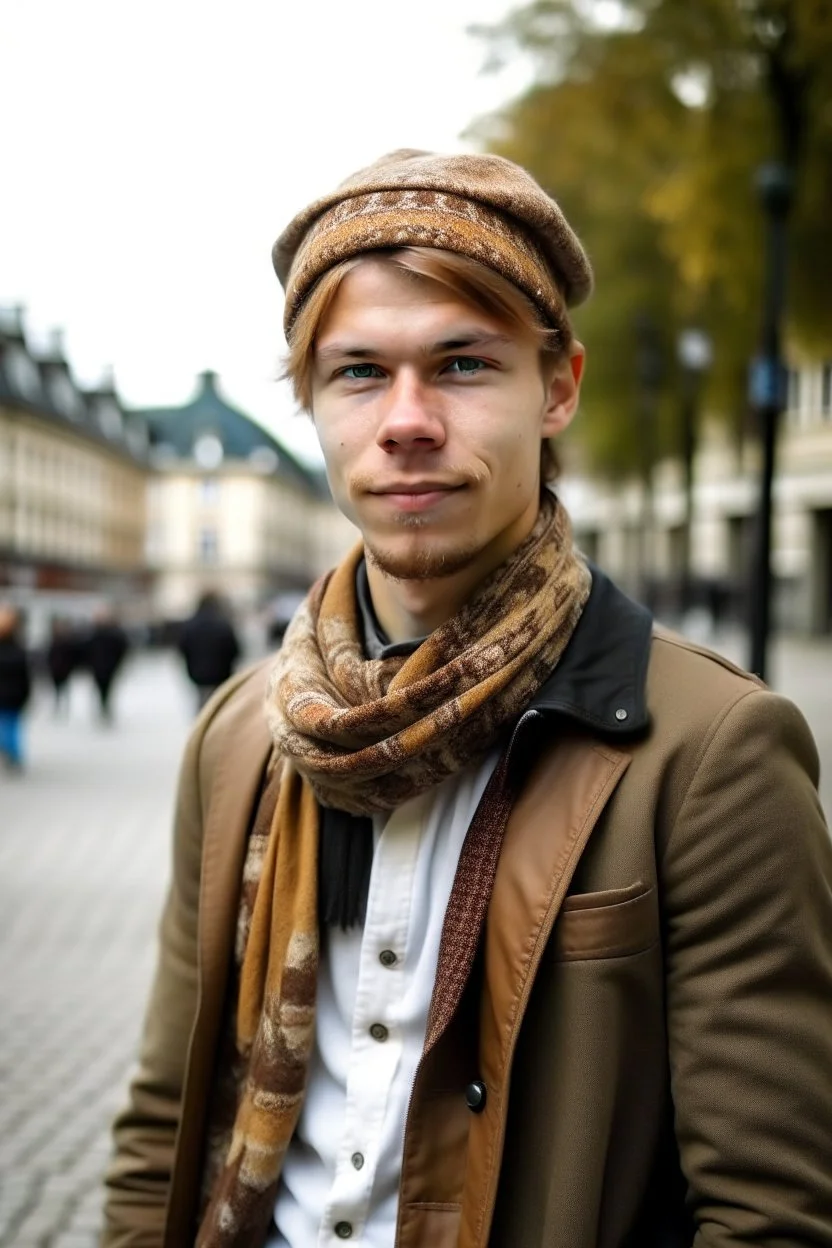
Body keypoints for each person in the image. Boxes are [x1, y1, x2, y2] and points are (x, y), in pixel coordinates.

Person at [102, 151, 832, 1248]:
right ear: (307, 402)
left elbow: (767, 1212)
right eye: (357, 372)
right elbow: (164, 1129)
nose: (405, 420)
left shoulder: (709, 750)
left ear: (559, 388)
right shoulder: (239, 737)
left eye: (461, 364)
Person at [177, 591, 241, 710]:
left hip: (198, 676)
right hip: (220, 675)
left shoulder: (189, 625)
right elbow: (235, 650)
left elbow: (182, 648)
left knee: (203, 705)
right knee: (220, 706)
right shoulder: (223, 624)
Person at [0, 605, 32, 772]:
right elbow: (25, 675)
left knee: (7, 726)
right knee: (11, 726)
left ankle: (11, 753)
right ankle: (14, 755)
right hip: (14, 695)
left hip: (9, 695)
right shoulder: (19, 649)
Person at [84, 608, 129, 722]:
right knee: (99, 689)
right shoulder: (93, 633)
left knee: (108, 689)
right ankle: (103, 708)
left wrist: (117, 664)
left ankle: (106, 708)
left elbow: (122, 649)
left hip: (110, 668)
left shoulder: (114, 634)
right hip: (97, 667)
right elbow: (86, 650)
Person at [46, 616, 81, 715]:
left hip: (65, 669)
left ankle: (64, 707)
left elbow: (73, 656)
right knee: (56, 689)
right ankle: (57, 706)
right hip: (55, 669)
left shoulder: (68, 642)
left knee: (64, 688)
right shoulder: (53, 640)